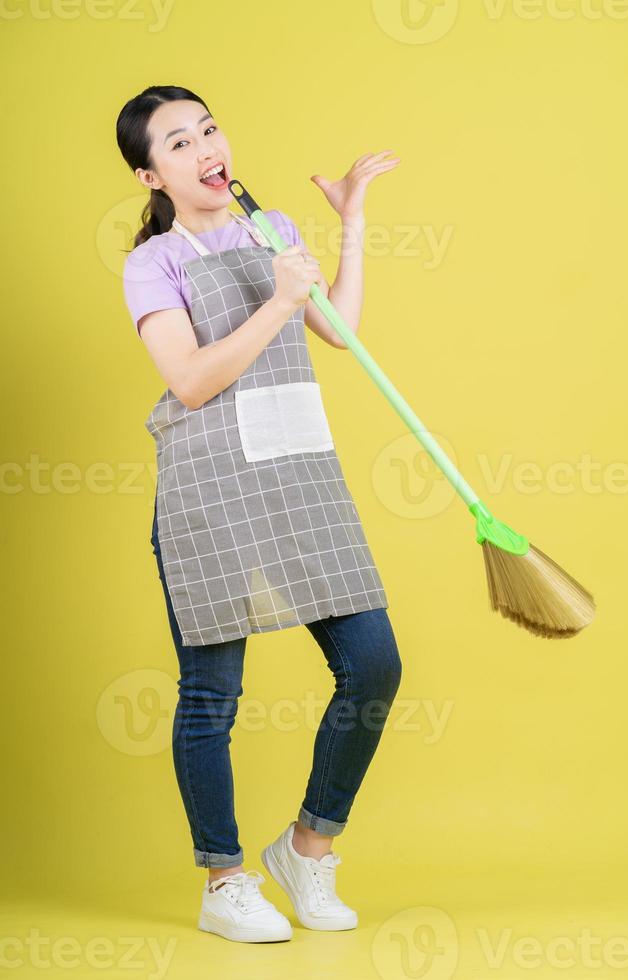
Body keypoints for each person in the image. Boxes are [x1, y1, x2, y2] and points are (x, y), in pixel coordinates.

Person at [116, 84, 403, 943]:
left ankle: (306, 850)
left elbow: (340, 334)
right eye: (178, 141)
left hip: (298, 474)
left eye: (208, 128)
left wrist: (347, 226)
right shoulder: (151, 263)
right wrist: (277, 300)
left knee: (374, 665)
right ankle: (224, 879)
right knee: (213, 696)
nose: (205, 145)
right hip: (210, 490)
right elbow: (191, 381)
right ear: (149, 173)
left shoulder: (269, 225)